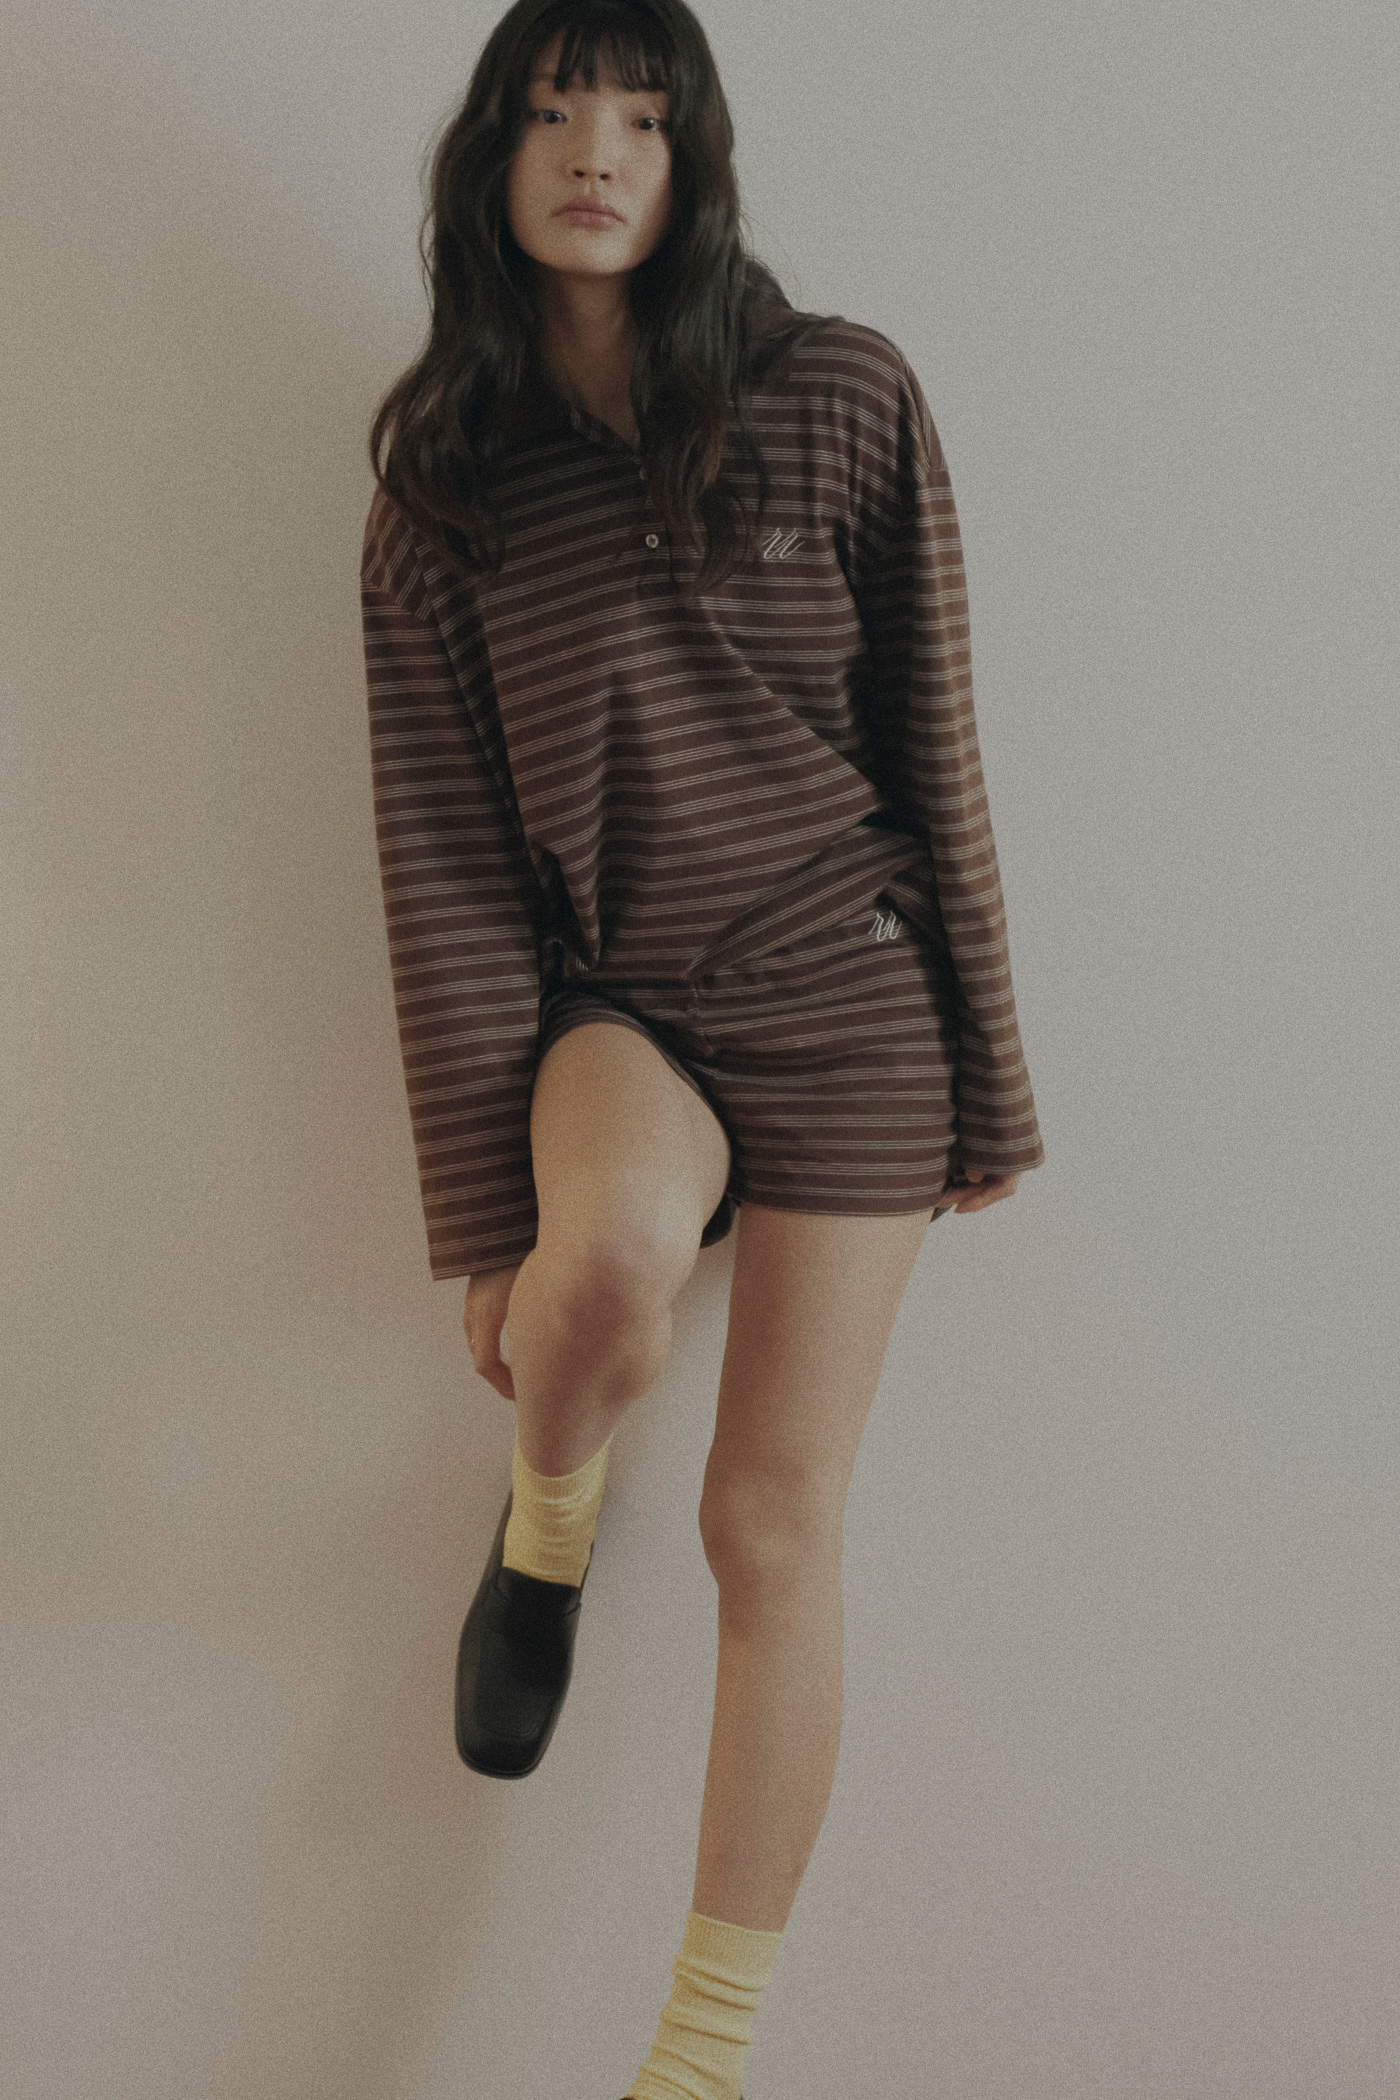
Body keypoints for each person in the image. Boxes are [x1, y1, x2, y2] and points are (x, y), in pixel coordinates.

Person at [359, 3, 1045, 2095]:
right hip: (622, 1001)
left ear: (692, 164)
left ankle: (699, 2056)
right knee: (596, 1274)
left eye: (642, 119)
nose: (597, 150)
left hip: (852, 990)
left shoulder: (836, 394)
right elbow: (443, 861)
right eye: (554, 109)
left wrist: (993, 1073)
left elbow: (936, 734)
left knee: (769, 1522)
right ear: (491, 158)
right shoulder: (444, 486)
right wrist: (480, 1223)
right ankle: (546, 1524)